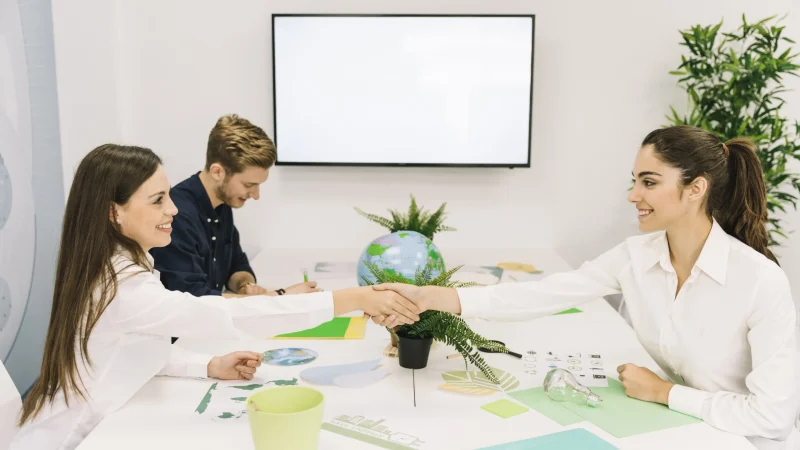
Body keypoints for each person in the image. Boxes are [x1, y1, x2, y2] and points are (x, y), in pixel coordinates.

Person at [373, 126, 799, 449]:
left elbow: (773, 419)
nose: (633, 195)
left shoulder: (760, 282)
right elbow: (543, 294)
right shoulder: (637, 256)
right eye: (634, 181)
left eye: (649, 182)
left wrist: (666, 393)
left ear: (696, 189)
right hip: (684, 432)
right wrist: (434, 297)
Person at [12, 145, 419, 450]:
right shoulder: (123, 286)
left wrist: (207, 364)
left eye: (168, 195)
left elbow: (127, 349)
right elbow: (235, 315)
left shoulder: (119, 263)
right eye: (157, 200)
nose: (172, 209)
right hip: (73, 440)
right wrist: (350, 299)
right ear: (113, 212)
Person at [149, 114, 312, 298]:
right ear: (217, 172)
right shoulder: (177, 216)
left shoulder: (222, 204)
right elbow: (194, 299)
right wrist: (279, 296)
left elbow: (236, 265)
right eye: (249, 185)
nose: (256, 195)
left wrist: (245, 284)